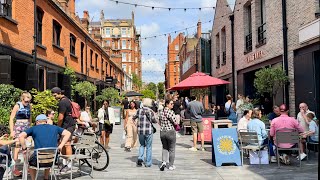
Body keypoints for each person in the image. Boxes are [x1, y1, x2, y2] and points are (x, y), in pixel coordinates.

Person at [19, 114, 71, 180]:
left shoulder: (34, 128)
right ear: (46, 121)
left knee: (30, 161)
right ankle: (46, 178)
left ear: (37, 122)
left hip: (38, 161)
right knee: (48, 154)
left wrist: (24, 148)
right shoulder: (55, 127)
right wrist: (60, 145)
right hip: (52, 161)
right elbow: (68, 133)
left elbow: (21, 136)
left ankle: (33, 179)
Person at [51, 87, 75, 172]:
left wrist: (58, 127)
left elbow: (60, 117)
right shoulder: (67, 99)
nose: (54, 97)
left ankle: (69, 164)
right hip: (70, 124)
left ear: (58, 93)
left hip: (67, 125)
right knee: (63, 142)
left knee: (67, 143)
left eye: (54, 95)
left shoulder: (62, 102)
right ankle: (65, 162)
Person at [9, 91, 32, 177]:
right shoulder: (17, 106)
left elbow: (30, 118)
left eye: (29, 101)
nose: (27, 103)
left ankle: (27, 166)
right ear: (22, 99)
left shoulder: (29, 106)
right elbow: (11, 119)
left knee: (27, 146)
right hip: (19, 126)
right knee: (17, 146)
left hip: (26, 127)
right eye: (26, 101)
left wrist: (30, 128)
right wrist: (12, 131)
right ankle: (14, 167)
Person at [132, 98, 158, 167]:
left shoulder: (139, 110)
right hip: (148, 131)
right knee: (149, 147)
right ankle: (148, 163)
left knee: (142, 145)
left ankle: (140, 158)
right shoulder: (150, 111)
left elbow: (133, 117)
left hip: (140, 131)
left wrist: (136, 124)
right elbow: (154, 121)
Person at [159, 99, 178, 171]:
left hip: (162, 132)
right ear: (167, 104)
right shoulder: (171, 112)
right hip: (170, 131)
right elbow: (175, 122)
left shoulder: (161, 112)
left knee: (164, 147)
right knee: (172, 149)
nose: (173, 105)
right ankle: (171, 165)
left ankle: (164, 162)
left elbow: (158, 120)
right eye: (171, 104)